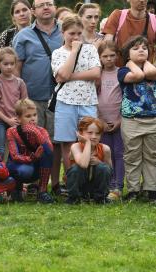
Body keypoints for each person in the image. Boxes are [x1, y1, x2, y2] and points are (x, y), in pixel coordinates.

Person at [12, 0, 63, 194]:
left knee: (56, 141)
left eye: (49, 3)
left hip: (59, 97)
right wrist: (20, 100)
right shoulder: (24, 35)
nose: (46, 7)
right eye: (41, 5)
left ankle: (56, 183)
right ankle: (35, 183)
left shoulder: (64, 32)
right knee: (34, 142)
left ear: (55, 7)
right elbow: (17, 68)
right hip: (33, 99)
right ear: (34, 11)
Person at [51, 15, 101, 182]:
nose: (76, 37)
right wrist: (73, 51)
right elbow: (61, 74)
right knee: (67, 143)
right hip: (65, 102)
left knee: (91, 140)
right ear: (63, 33)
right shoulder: (57, 53)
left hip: (88, 101)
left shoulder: (91, 49)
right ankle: (71, 180)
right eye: (71, 33)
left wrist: (70, 76)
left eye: (79, 33)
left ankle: (89, 181)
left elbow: (95, 73)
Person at [117, 35, 156, 202]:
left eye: (144, 48)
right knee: (132, 156)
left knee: (152, 155)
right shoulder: (123, 71)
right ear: (127, 54)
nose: (141, 50)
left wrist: (142, 61)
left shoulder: (152, 69)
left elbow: (148, 73)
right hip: (132, 120)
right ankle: (133, 190)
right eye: (136, 48)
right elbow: (139, 76)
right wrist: (130, 63)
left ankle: (151, 189)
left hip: (153, 121)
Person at [6, 99, 54, 204]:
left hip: (36, 168)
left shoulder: (42, 131)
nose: (33, 119)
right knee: (24, 171)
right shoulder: (12, 131)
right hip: (19, 167)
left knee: (47, 152)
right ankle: (17, 189)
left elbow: (50, 151)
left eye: (34, 115)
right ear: (18, 118)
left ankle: (42, 192)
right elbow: (14, 156)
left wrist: (36, 133)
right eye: (28, 116)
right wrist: (31, 159)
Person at [97, 40, 124, 201]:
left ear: (117, 56)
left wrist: (119, 120)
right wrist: (100, 120)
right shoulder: (97, 74)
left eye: (112, 55)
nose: (109, 59)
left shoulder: (122, 72)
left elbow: (126, 97)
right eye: (105, 56)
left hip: (119, 120)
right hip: (102, 122)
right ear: (99, 57)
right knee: (106, 153)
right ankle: (108, 184)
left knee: (119, 153)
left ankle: (118, 186)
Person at [0, 47, 27, 159]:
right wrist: (7, 120)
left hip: (16, 121)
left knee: (14, 149)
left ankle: (11, 174)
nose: (9, 67)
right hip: (0, 121)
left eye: (12, 64)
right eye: (5, 64)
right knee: (0, 149)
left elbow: (25, 104)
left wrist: (20, 119)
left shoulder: (20, 83)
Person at [65, 117, 112, 204]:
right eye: (90, 133)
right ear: (80, 133)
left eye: (97, 133)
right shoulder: (76, 147)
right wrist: (87, 143)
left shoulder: (105, 149)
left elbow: (109, 171)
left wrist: (99, 163)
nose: (94, 136)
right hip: (80, 185)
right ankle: (74, 198)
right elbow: (83, 164)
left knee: (104, 168)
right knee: (76, 168)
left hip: (95, 186)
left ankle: (100, 198)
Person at [103, 0, 156, 66]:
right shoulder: (118, 15)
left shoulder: (154, 20)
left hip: (147, 72)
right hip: (121, 70)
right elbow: (107, 45)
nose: (142, 0)